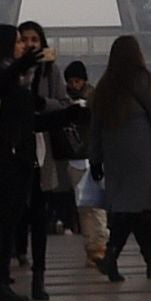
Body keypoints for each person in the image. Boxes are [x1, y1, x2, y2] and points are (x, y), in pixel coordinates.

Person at [0, 20, 62, 301]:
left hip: (20, 159)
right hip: (2, 159)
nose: (25, 45)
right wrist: (19, 68)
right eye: (19, 41)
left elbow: (29, 121)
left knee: (8, 222)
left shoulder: (19, 78)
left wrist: (69, 117)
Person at [85, 33, 151, 278]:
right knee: (136, 207)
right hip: (140, 153)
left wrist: (96, 158)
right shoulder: (143, 80)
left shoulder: (105, 85)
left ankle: (150, 262)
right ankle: (116, 258)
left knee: (131, 207)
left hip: (114, 154)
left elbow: (95, 127)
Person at [57, 59, 110, 268]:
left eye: (77, 81)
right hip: (76, 160)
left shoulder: (96, 101)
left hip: (93, 159)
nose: (73, 85)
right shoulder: (63, 103)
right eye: (70, 81)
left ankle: (100, 246)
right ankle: (91, 248)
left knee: (96, 206)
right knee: (84, 207)